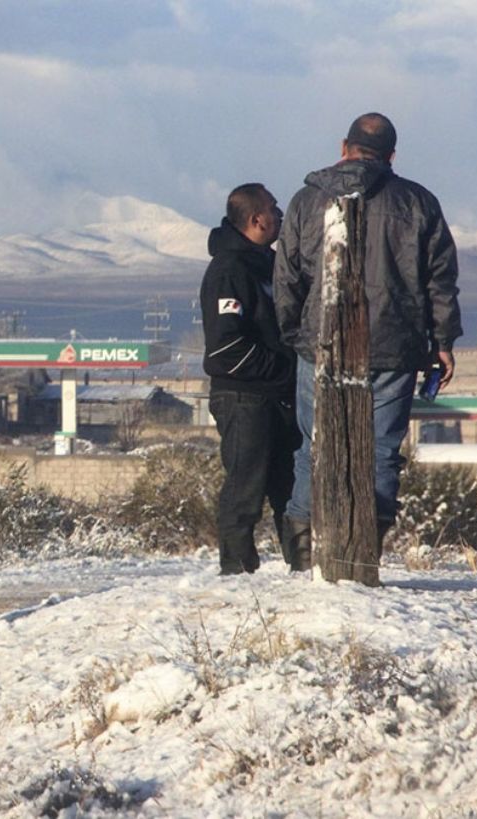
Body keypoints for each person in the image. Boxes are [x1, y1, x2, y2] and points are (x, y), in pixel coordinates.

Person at [273, 112, 462, 562]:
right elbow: (440, 280)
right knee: (381, 450)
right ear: (391, 155)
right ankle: (362, 552)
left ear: (345, 147)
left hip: (318, 344)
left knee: (313, 446)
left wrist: (296, 334)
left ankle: (303, 552)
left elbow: (287, 278)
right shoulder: (418, 203)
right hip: (394, 347)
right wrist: (442, 342)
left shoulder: (306, 201)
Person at [200, 183, 300, 574]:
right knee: (246, 489)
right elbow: (226, 348)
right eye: (275, 209)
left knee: (291, 490)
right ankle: (236, 572)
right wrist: (285, 369)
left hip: (278, 398)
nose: (280, 215)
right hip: (243, 398)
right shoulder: (229, 271)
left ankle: (305, 569)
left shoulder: (269, 265)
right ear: (257, 219)